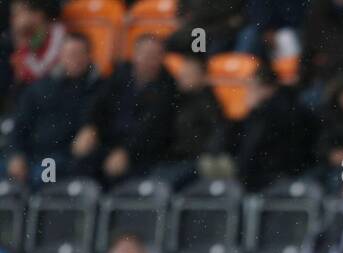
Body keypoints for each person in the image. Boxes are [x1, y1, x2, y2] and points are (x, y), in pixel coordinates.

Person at [73, 34, 178, 183]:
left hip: (143, 152)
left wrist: (127, 152)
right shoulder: (120, 73)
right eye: (145, 54)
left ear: (162, 58)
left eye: (154, 55)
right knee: (80, 163)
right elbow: (98, 103)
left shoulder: (167, 87)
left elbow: (151, 128)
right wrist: (89, 126)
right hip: (109, 143)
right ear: (135, 54)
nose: (148, 60)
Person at [7, 32, 99, 190]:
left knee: (41, 176)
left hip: (65, 158)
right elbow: (19, 125)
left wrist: (92, 129)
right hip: (30, 155)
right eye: (70, 54)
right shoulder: (40, 88)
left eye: (79, 54)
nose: (75, 59)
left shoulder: (99, 89)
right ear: (61, 57)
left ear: (88, 56)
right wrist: (16, 155)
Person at [235, 65, 319, 191]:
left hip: (277, 176)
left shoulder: (274, 112)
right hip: (280, 172)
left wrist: (253, 112)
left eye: (252, 87)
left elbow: (253, 147)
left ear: (267, 88)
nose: (248, 92)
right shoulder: (288, 103)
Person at [158, 52, 230, 189]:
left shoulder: (208, 103)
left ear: (202, 77)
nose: (182, 76)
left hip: (195, 161)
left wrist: (204, 156)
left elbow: (217, 134)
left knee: (162, 182)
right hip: (173, 160)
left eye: (189, 73)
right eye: (182, 72)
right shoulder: (175, 99)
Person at [8, 0, 65, 92]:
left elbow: (40, 71)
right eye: (15, 15)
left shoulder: (57, 32)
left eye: (26, 12)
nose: (21, 19)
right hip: (29, 90)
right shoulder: (27, 34)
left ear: (40, 14)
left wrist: (23, 47)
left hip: (51, 89)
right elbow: (19, 73)